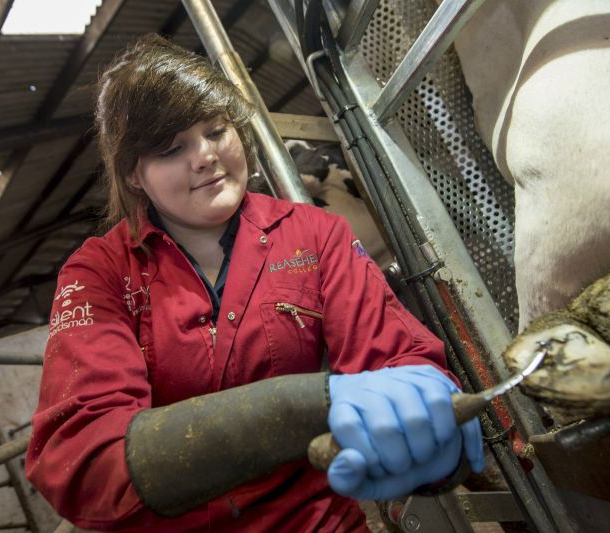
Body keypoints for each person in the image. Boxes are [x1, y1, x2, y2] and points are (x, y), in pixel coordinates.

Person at [25, 34, 484, 532]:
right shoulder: (100, 271)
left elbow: (396, 359)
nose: (205, 156)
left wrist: (428, 417)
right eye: (171, 148)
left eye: (216, 130)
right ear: (135, 175)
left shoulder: (315, 233)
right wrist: (311, 405)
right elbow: (86, 459)